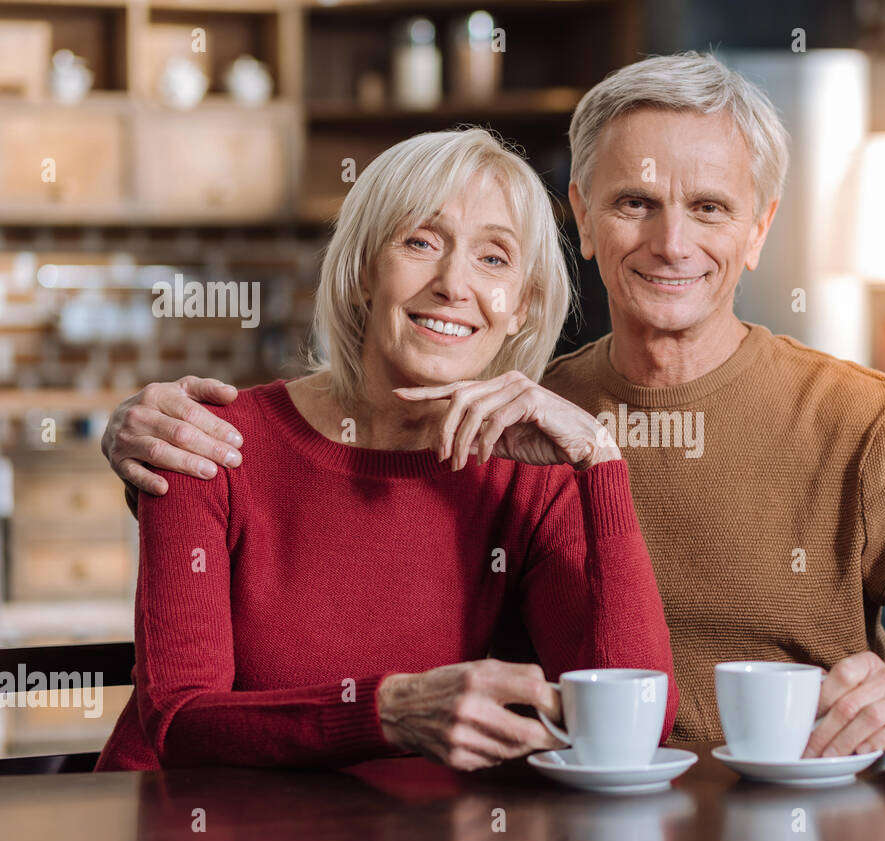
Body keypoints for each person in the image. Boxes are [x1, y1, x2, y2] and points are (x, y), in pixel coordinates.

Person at [100, 53, 885, 762]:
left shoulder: (858, 423)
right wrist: (134, 430)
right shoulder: (506, 419)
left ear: (757, 231)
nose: (670, 241)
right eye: (633, 203)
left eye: (708, 207)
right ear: (579, 217)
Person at [94, 127, 676, 772]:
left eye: (494, 258)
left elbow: (634, 724)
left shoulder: (530, 477)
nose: (454, 284)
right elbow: (179, 726)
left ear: (523, 308)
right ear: (365, 271)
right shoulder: (211, 443)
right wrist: (389, 712)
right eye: (421, 242)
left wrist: (600, 460)